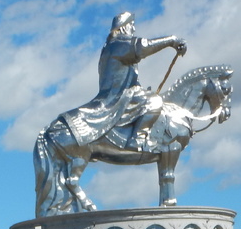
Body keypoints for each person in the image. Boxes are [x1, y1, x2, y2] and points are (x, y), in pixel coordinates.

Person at [62, 12, 187, 150]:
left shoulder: (110, 47)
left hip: (118, 93)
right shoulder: (119, 44)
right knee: (154, 101)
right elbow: (144, 46)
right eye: (131, 26)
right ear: (123, 27)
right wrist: (171, 40)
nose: (133, 29)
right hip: (119, 96)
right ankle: (138, 139)